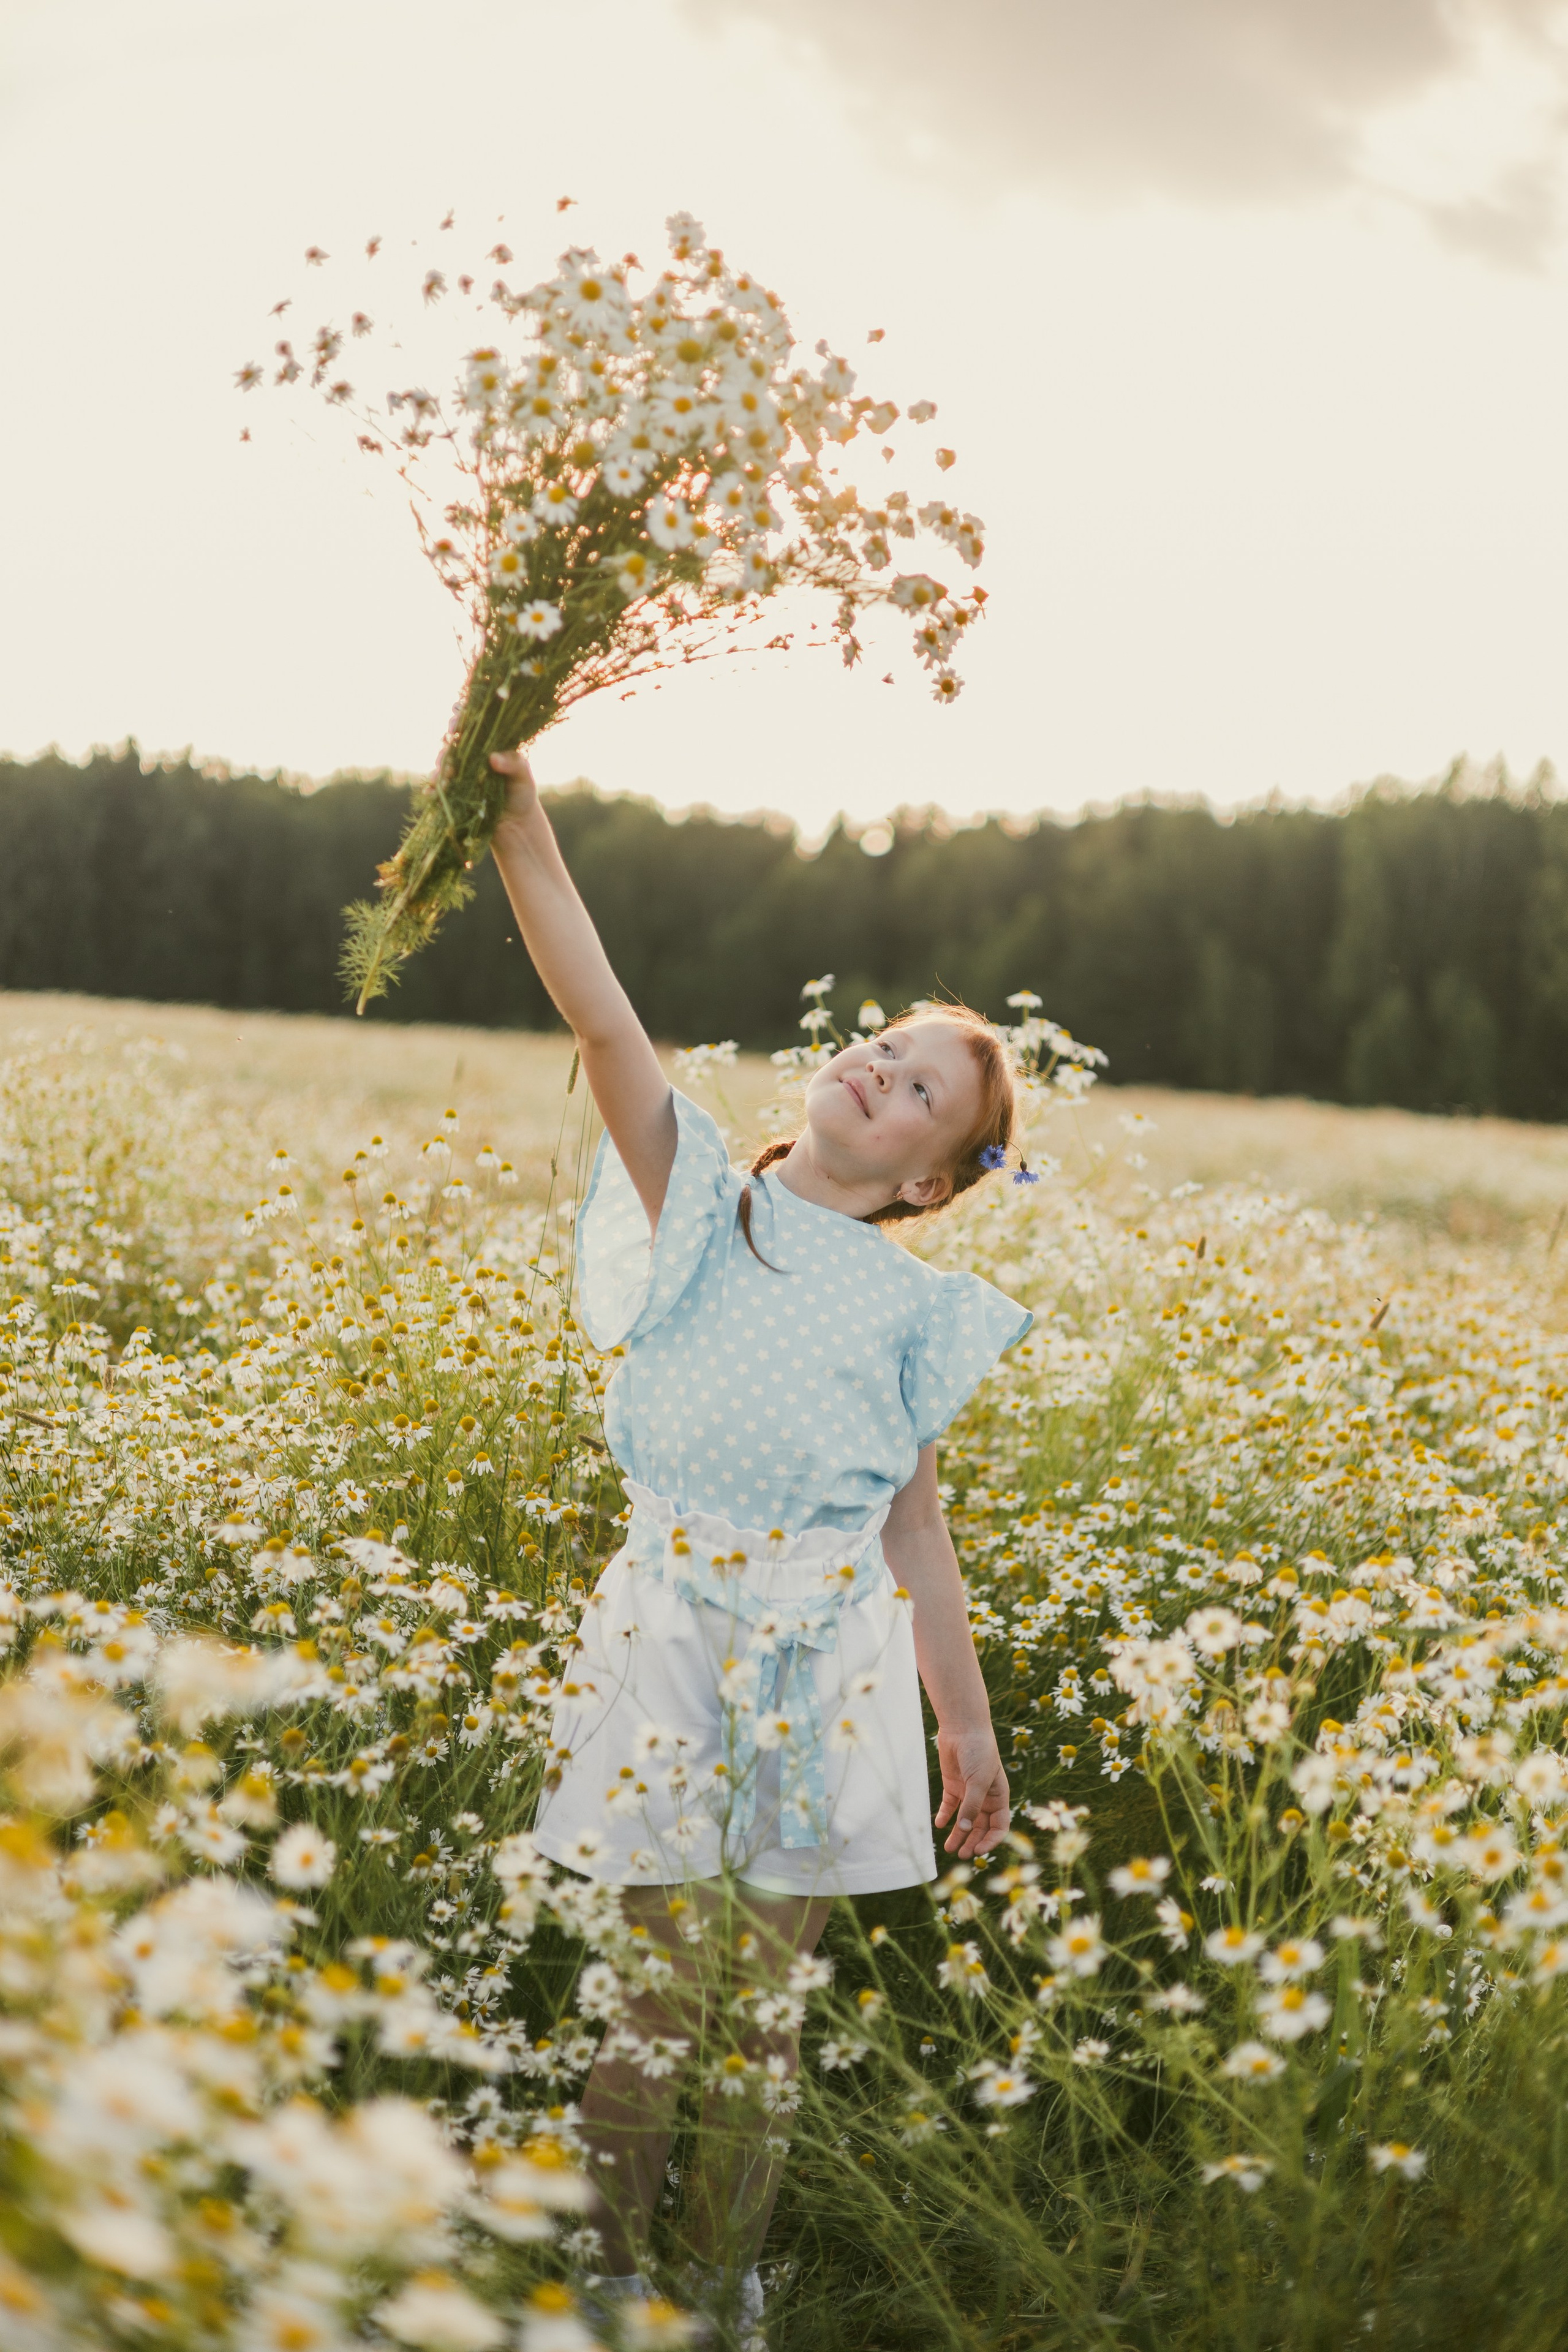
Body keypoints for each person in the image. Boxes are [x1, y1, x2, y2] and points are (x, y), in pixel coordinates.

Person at [488, 748, 1031, 2334]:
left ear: (931, 1177)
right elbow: (601, 1021)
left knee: (761, 2013)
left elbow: (915, 1525)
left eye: (920, 1083)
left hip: (825, 1656)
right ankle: (603, 2281)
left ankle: (723, 2286)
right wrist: (524, 825)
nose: (879, 1066)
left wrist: (967, 1716)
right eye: (881, 1042)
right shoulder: (704, 1195)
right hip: (673, 1628)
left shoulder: (916, 1309)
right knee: (653, 1995)